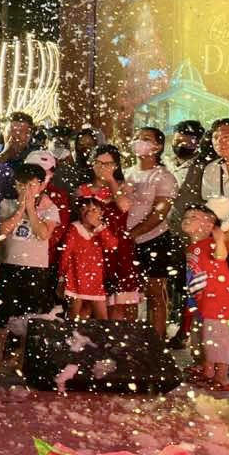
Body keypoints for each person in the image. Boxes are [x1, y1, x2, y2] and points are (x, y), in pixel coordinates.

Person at [0, 161, 60, 372]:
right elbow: (3, 231)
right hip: (10, 265)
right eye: (22, 184)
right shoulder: (6, 204)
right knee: (2, 312)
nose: (26, 189)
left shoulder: (50, 207)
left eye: (32, 185)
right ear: (16, 185)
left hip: (36, 268)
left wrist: (31, 208)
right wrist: (20, 208)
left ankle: (22, 358)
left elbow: (43, 233)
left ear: (41, 185)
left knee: (32, 315)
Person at [126, 127, 179, 336]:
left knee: (155, 292)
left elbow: (159, 213)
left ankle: (157, 342)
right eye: (137, 137)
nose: (139, 142)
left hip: (154, 240)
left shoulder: (164, 177)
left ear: (157, 147)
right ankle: (131, 340)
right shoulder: (127, 173)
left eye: (146, 139)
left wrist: (134, 234)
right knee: (128, 294)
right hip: (127, 242)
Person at [79, 144, 139, 320]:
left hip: (119, 247)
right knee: (89, 303)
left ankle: (117, 335)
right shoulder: (83, 190)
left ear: (116, 165)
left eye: (108, 164)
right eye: (98, 163)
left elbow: (124, 206)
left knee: (119, 303)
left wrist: (111, 180)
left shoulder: (124, 187)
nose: (102, 168)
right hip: (92, 248)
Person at [182, 204, 229, 393]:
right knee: (203, 336)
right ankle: (208, 370)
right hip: (203, 300)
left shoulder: (210, 243)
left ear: (209, 225)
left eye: (194, 217)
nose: (187, 219)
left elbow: (220, 256)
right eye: (186, 216)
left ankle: (221, 377)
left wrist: (220, 240)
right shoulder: (193, 246)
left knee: (216, 337)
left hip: (217, 299)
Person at [62, 198, 113, 320]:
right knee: (74, 316)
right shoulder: (74, 228)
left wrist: (98, 226)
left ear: (101, 213)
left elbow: (111, 245)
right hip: (76, 279)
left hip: (95, 280)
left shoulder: (102, 229)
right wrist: (61, 277)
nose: (89, 213)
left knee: (102, 318)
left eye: (94, 210)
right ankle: (73, 332)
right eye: (84, 209)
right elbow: (65, 255)